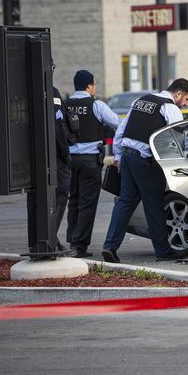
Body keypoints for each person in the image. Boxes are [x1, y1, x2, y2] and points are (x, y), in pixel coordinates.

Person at [101, 78, 188, 263]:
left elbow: (122, 129)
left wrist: (118, 156)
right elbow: (178, 140)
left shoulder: (141, 101)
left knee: (125, 203)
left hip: (127, 157)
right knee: (154, 206)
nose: (185, 104)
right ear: (178, 94)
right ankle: (163, 251)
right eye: (186, 99)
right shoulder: (170, 108)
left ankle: (109, 247)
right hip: (145, 161)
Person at [65, 70, 120, 257]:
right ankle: (79, 246)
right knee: (87, 204)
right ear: (89, 86)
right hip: (90, 161)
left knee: (73, 200)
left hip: (69, 160)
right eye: (94, 84)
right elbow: (118, 125)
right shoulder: (96, 105)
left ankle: (72, 240)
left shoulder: (66, 105)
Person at [27, 61, 72, 253]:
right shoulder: (51, 92)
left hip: (31, 154)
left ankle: (37, 241)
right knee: (60, 194)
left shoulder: (25, 89)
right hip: (53, 156)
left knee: (35, 197)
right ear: (50, 68)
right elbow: (58, 127)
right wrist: (66, 155)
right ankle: (50, 238)